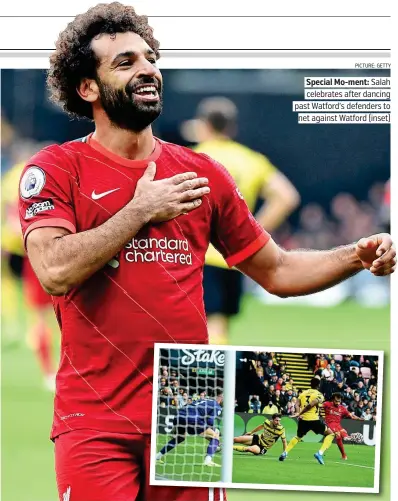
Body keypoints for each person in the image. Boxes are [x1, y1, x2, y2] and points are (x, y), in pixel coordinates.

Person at [17, 3, 396, 501]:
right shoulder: (57, 168)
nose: (148, 68)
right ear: (88, 88)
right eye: (125, 62)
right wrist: (139, 210)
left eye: (150, 58)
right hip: (94, 418)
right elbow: (53, 271)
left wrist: (355, 255)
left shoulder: (201, 173)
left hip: (190, 409)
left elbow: (277, 270)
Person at [191, 97, 301, 344]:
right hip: (233, 257)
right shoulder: (251, 160)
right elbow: (287, 197)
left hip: (198, 256)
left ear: (203, 125)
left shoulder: (192, 158)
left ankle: (210, 379)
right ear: (231, 128)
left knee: (207, 327)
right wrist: (250, 232)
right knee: (220, 324)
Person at [2, 157, 57, 390]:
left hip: (36, 255)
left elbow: (13, 221)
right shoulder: (51, 176)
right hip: (42, 255)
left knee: (43, 318)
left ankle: (49, 373)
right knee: (48, 318)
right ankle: (50, 372)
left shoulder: (16, 179)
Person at [155, 392, 223, 467]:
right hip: (192, 418)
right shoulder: (217, 406)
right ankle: (208, 460)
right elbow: (210, 421)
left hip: (179, 415)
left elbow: (187, 405)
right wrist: (212, 430)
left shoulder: (204, 400)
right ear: (222, 398)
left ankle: (157, 457)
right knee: (215, 435)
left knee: (180, 438)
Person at [279, 377, 335, 465]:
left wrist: (298, 412)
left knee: (298, 437)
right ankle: (319, 453)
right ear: (318, 385)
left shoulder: (303, 393)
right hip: (313, 420)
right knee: (331, 434)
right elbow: (311, 405)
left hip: (303, 420)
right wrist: (300, 412)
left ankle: (285, 453)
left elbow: (297, 404)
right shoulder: (319, 395)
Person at [323, 392, 364, 460]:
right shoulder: (327, 404)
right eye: (336, 401)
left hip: (338, 425)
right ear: (333, 399)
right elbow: (319, 405)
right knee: (338, 435)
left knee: (342, 436)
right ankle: (347, 439)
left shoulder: (342, 408)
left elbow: (351, 416)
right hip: (329, 424)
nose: (338, 403)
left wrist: (359, 418)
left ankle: (345, 451)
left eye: (339, 401)